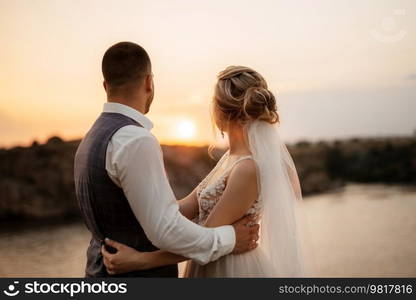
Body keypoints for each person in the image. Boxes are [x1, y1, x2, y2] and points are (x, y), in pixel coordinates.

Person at [101, 65, 310, 277]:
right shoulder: (230, 159)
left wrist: (140, 261)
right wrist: (134, 206)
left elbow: (205, 236)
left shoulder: (248, 168)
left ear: (220, 111)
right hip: (209, 262)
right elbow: (185, 208)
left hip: (232, 270)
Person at [74, 42, 259, 277]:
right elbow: (165, 229)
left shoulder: (91, 138)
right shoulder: (136, 140)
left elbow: (155, 211)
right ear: (149, 82)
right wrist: (231, 238)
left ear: (105, 85)